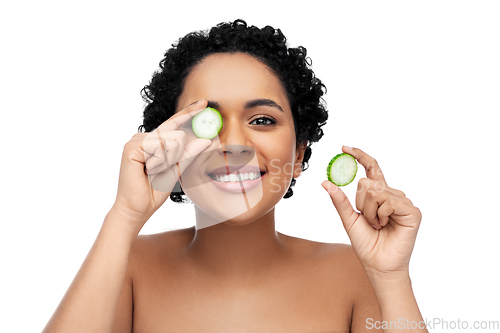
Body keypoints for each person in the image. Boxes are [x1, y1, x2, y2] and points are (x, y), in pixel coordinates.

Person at [43, 20, 427, 332]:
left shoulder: (357, 274)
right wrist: (124, 215)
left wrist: (390, 277)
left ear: (298, 154)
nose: (234, 145)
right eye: (206, 122)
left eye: (262, 120)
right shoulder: (127, 266)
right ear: (168, 147)